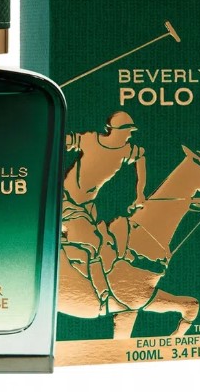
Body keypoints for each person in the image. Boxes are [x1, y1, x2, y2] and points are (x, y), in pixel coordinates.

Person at [62, 111, 146, 308]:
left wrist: (140, 194)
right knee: (93, 243)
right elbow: (62, 141)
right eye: (128, 131)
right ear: (117, 130)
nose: (130, 135)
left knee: (106, 241)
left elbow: (141, 157)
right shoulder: (91, 140)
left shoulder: (125, 150)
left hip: (87, 207)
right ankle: (102, 293)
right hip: (66, 202)